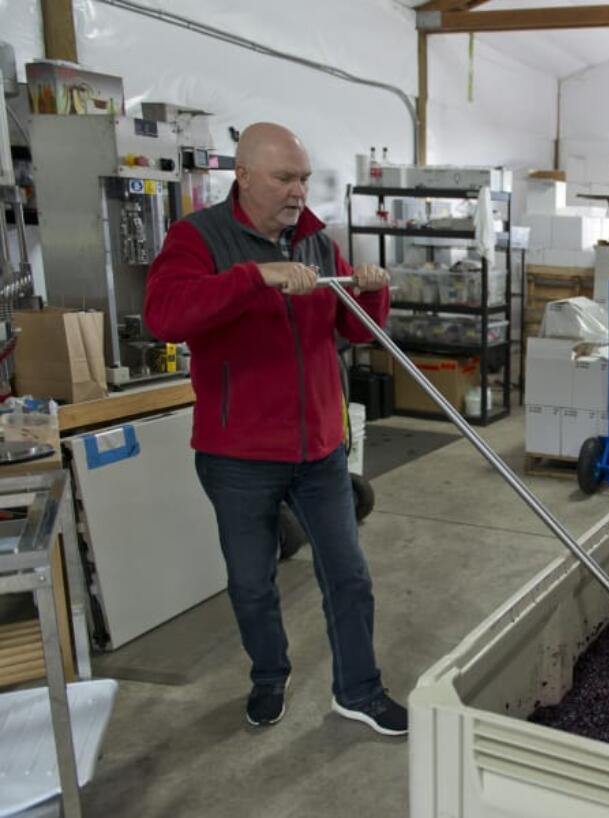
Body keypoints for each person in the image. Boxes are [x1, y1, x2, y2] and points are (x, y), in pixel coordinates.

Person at [144, 122, 405, 736]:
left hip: (318, 449)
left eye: (304, 178)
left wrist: (371, 291)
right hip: (237, 454)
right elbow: (165, 316)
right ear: (243, 175)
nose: (298, 191)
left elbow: (359, 331)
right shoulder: (197, 238)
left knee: (348, 573)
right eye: (284, 178)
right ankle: (268, 676)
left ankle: (358, 690)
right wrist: (253, 277)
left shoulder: (315, 240)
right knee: (252, 582)